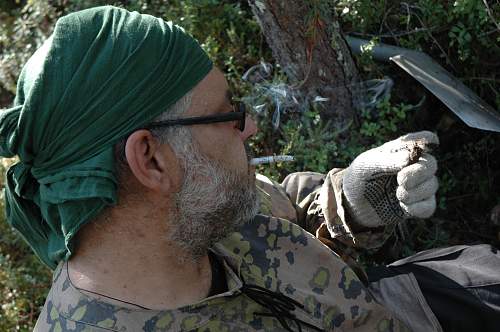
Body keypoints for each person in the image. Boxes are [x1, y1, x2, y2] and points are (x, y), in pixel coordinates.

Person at [0, 6, 498, 332]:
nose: (252, 126)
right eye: (227, 113)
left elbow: (283, 213)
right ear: (151, 160)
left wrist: (350, 201)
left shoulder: (195, 204)